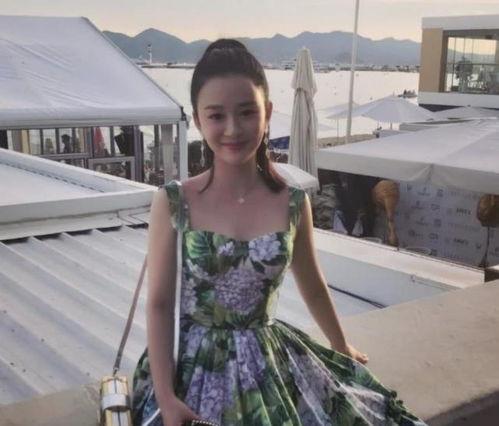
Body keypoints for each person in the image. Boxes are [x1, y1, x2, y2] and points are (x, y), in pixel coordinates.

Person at [132, 39, 426, 426]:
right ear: (199, 121)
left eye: (247, 112)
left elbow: (313, 286)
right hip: (195, 372)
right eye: (217, 115)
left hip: (268, 364)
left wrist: (340, 346)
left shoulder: (293, 202)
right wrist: (166, 397)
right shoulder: (173, 201)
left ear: (267, 113)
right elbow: (158, 304)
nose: (233, 128)